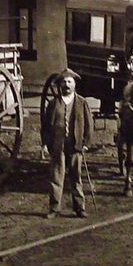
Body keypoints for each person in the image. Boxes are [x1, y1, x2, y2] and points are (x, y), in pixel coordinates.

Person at [41, 68, 93, 218]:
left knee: (76, 176)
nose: (67, 85)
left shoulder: (82, 103)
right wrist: (45, 143)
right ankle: (54, 208)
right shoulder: (53, 104)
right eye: (64, 82)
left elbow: (89, 125)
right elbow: (45, 125)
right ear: (59, 85)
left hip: (76, 145)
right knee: (56, 176)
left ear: (74, 84)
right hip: (57, 145)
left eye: (70, 82)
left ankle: (79, 208)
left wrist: (86, 143)